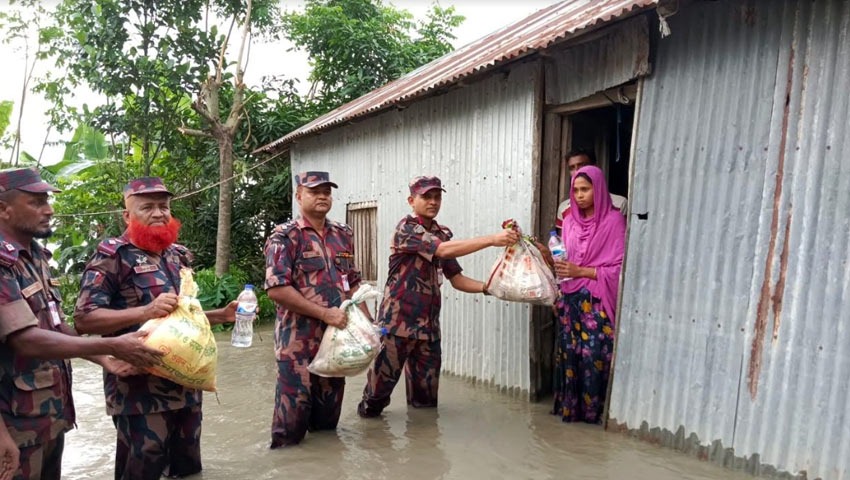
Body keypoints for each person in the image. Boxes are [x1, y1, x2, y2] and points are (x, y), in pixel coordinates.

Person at [0, 168, 162, 480]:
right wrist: (112, 344)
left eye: (47, 201)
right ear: (3, 209)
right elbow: (26, 340)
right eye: (36, 202)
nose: (48, 210)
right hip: (11, 425)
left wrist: (106, 360)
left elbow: (54, 325)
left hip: (44, 418)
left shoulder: (34, 257)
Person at [74, 177, 236, 480]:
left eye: (164, 206)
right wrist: (144, 311)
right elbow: (84, 319)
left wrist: (220, 315)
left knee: (188, 464)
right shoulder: (112, 256)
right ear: (127, 215)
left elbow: (182, 315)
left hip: (185, 379)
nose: (159, 213)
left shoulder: (178, 255)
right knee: (143, 462)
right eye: (147, 207)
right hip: (137, 387)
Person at [357, 176, 520, 418]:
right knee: (376, 399)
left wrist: (490, 288)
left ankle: (422, 451)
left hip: (428, 331)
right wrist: (492, 240)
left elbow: (457, 279)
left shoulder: (442, 234)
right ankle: (369, 445)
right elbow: (441, 250)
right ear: (411, 200)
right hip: (396, 327)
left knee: (426, 405)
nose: (433, 202)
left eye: (437, 197)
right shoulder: (407, 229)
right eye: (426, 197)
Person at [263, 171, 365, 448]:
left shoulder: (343, 234)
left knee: (327, 426)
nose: (322, 196)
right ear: (299, 196)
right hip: (297, 346)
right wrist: (324, 313)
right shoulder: (285, 237)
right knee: (290, 430)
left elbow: (353, 283)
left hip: (337, 344)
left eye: (327, 191)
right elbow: (276, 289)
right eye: (314, 191)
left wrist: (368, 326)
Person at [551, 165, 626, 423]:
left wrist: (582, 271)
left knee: (593, 356)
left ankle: (594, 414)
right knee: (570, 355)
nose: (580, 195)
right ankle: (572, 411)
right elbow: (563, 258)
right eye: (576, 190)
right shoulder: (569, 222)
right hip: (570, 299)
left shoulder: (614, 221)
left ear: (599, 189)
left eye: (586, 189)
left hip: (596, 302)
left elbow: (620, 268)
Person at [555, 149, 627, 232]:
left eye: (581, 165)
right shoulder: (565, 208)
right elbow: (562, 243)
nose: (577, 171)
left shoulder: (619, 204)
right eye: (572, 168)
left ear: (594, 166)